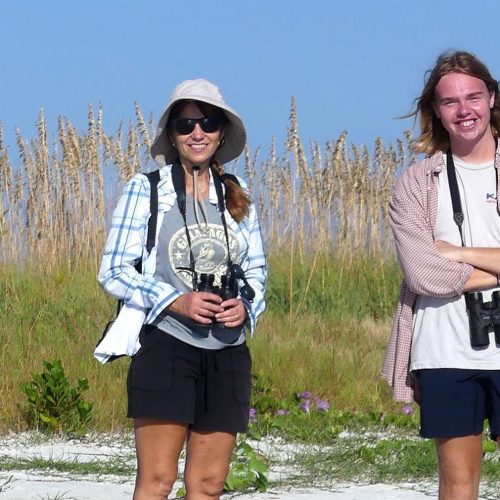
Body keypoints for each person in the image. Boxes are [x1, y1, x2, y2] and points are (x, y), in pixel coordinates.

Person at [97, 79, 267, 499]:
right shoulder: (147, 188)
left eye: (207, 122)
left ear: (221, 131)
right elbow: (113, 270)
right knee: (157, 481)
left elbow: (258, 271)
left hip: (227, 354)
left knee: (208, 486)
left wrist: (245, 306)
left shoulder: (238, 195)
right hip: (166, 349)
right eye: (186, 123)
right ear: (171, 135)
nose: (197, 132)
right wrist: (176, 300)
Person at [382, 50, 500, 499]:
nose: (464, 110)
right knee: (457, 482)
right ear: (435, 109)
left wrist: (460, 252)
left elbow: (441, 266)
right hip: (444, 348)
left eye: (473, 97)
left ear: (491, 98)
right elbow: (424, 275)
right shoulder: (416, 182)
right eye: (450, 101)